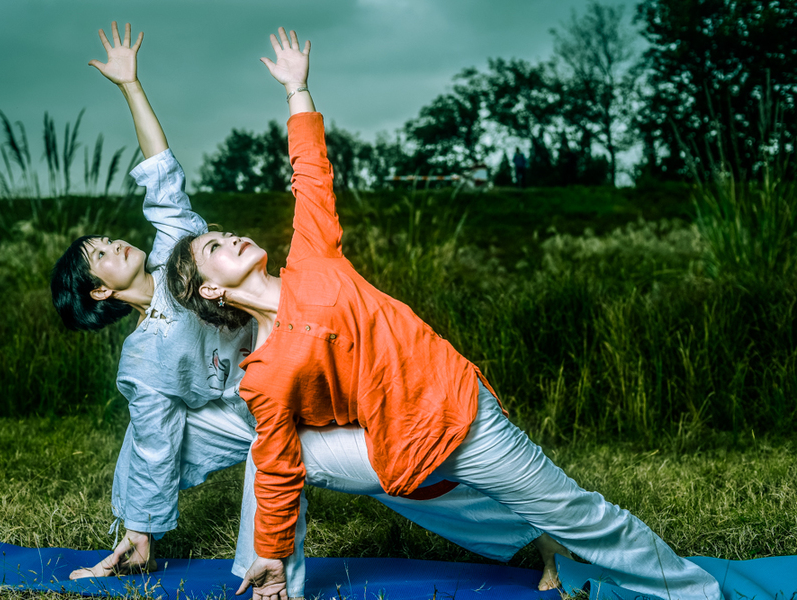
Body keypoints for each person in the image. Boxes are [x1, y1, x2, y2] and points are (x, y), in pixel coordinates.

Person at [165, 28, 724, 600]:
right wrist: (273, 558)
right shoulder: (263, 372)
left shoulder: (311, 258)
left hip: (462, 418)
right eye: (213, 247)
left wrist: (296, 90)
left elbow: (311, 173)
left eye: (222, 234)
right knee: (275, 450)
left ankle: (698, 594)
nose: (228, 237)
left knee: (581, 516)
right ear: (211, 291)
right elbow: (280, 468)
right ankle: (273, 587)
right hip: (396, 449)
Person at [50, 22, 567, 596]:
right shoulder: (142, 357)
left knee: (409, 472)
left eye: (104, 238)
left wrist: (131, 85)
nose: (112, 244)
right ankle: (165, 548)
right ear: (99, 291)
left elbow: (161, 173)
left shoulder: (179, 249)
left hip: (303, 374)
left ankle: (541, 535)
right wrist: (142, 522)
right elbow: (154, 439)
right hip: (242, 405)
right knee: (156, 435)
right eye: (98, 254)